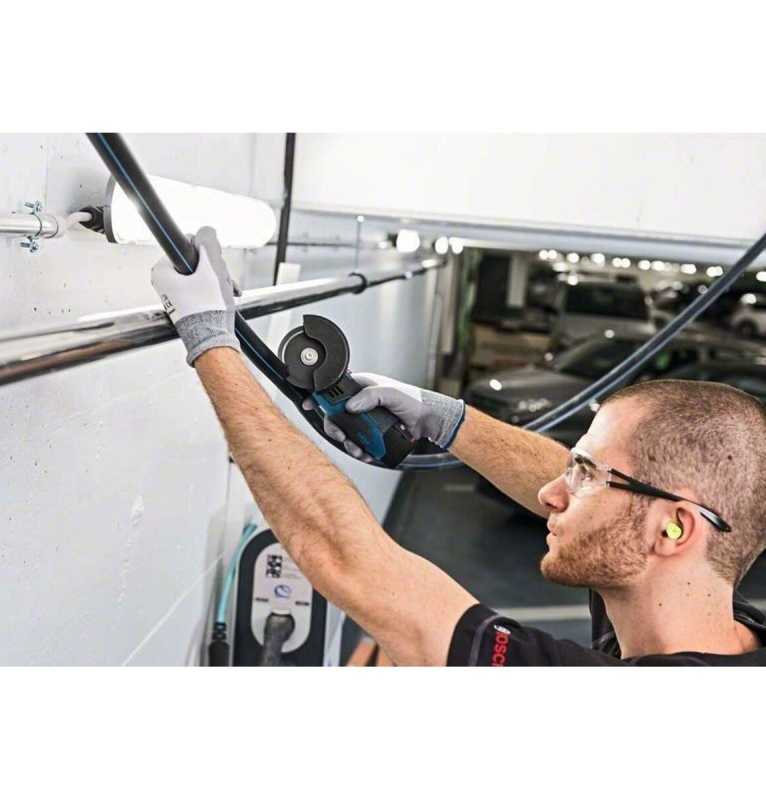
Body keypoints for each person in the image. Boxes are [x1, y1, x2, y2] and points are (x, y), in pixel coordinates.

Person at [151, 228, 766, 666]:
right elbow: (617, 493)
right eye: (575, 468)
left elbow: (350, 560)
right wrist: (444, 420)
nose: (552, 491)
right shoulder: (701, 608)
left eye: (583, 475)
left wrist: (209, 340)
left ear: (675, 529)